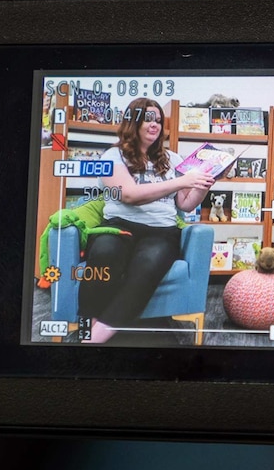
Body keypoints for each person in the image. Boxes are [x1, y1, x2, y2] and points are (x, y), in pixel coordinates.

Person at [77, 97, 214, 343]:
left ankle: (96, 336)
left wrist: (202, 184)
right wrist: (184, 180)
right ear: (133, 122)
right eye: (148, 119)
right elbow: (129, 195)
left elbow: (184, 203)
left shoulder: (172, 158)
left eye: (159, 121)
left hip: (161, 231)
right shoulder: (113, 155)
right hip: (118, 226)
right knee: (105, 253)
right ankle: (89, 321)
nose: (155, 125)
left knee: (148, 263)